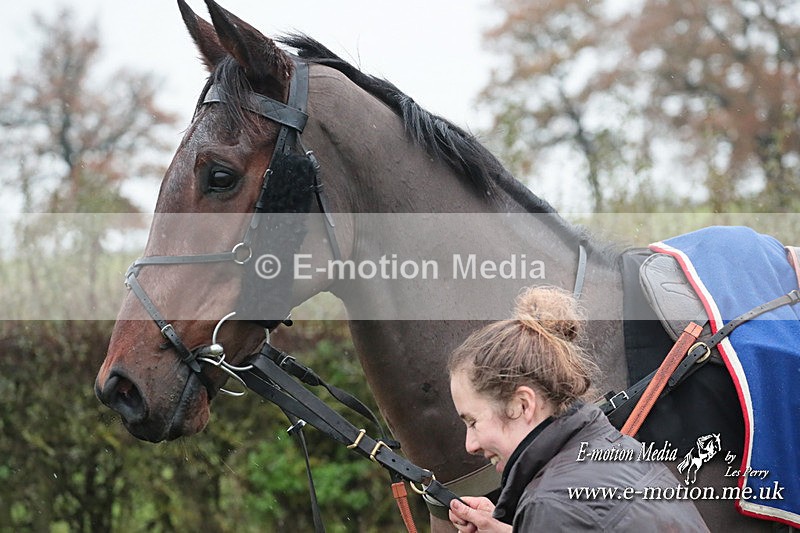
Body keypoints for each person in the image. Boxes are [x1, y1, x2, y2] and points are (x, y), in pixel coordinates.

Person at [447, 286, 708, 532]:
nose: (470, 445)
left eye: (473, 422)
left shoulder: (551, 503)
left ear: (523, 405)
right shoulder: (618, 448)